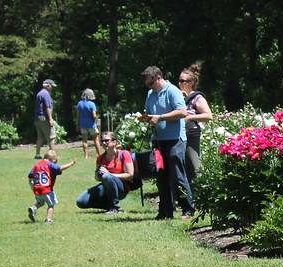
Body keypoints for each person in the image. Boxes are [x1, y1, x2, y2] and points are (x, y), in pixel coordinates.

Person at [138, 66, 193, 220]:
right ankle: (165, 212)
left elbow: (182, 112)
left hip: (175, 140)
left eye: (151, 83)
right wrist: (147, 118)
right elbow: (151, 113)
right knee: (161, 177)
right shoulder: (151, 94)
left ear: (159, 78)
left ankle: (188, 209)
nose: (149, 87)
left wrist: (161, 117)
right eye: (147, 85)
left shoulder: (172, 91)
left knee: (177, 175)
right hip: (159, 140)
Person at [75, 131, 135, 215]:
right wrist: (98, 173)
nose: (104, 143)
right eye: (102, 141)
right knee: (81, 201)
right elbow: (97, 179)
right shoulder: (100, 158)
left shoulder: (124, 154)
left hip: (122, 187)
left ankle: (115, 207)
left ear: (114, 142)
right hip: (105, 186)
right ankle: (109, 205)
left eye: (107, 141)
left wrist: (109, 174)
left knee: (107, 177)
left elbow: (129, 175)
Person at [176, 62, 212, 195]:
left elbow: (208, 116)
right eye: (179, 80)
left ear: (191, 82)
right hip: (177, 137)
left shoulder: (197, 98)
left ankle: (201, 196)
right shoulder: (178, 96)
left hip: (191, 136)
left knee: (194, 168)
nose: (180, 83)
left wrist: (190, 118)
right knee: (181, 169)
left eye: (183, 81)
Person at [27, 150, 75, 223]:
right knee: (51, 204)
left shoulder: (37, 164)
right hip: (47, 189)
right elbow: (59, 168)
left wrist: (32, 183)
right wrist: (71, 163)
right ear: (53, 160)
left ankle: (34, 208)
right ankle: (48, 219)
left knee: (40, 202)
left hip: (37, 189)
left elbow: (30, 175)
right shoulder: (49, 164)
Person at [76, 88, 102, 159]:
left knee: (84, 140)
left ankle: (86, 156)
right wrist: (96, 118)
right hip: (91, 124)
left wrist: (77, 124)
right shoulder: (92, 104)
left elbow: (78, 115)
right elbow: (94, 115)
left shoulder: (79, 103)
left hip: (82, 124)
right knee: (96, 139)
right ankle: (99, 154)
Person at [34, 79, 56, 159]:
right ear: (48, 86)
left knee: (40, 137)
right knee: (51, 137)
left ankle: (37, 154)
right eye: (52, 86)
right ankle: (53, 156)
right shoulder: (46, 94)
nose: (52, 88)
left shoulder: (39, 93)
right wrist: (50, 119)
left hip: (37, 118)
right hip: (44, 118)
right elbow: (48, 107)